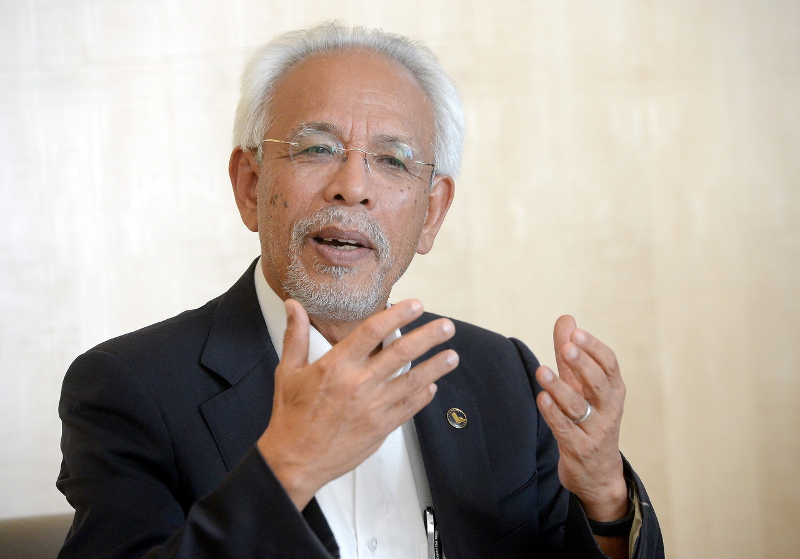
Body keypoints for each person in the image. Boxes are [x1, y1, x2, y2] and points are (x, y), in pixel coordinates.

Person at [57, 23, 664, 559]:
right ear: (249, 185)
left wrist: (603, 496)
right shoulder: (128, 388)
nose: (353, 186)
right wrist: (288, 467)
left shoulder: (499, 377)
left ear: (431, 214)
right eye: (317, 149)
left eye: (394, 160)